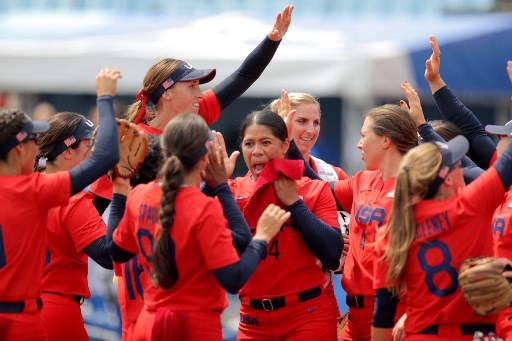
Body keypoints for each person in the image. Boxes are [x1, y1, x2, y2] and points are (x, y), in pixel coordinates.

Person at [89, 4, 294, 212]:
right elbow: (98, 206)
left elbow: (243, 76)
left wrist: (272, 40)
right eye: (192, 86)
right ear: (167, 93)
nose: (199, 93)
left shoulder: (193, 117)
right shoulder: (131, 140)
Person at [107, 113, 289, 340]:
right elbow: (234, 277)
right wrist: (262, 237)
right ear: (205, 157)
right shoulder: (203, 208)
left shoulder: (139, 195)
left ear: (165, 152)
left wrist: (119, 188)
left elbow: (115, 251)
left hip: (148, 320)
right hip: (192, 325)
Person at [0, 68, 121, 340]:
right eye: (32, 139)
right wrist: (122, 193)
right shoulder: (43, 190)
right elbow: (108, 254)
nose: (37, 145)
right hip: (53, 309)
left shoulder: (34, 185)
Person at [372, 130, 512, 340]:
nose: (463, 169)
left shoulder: (394, 229)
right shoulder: (468, 205)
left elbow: (383, 314)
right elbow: (508, 162)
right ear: (446, 179)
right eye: (458, 165)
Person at [226, 109, 342, 340]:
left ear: (285, 145)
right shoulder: (230, 191)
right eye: (249, 144)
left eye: (265, 142)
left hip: (306, 315)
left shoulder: (313, 188)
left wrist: (295, 204)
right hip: (252, 319)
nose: (257, 151)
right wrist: (215, 184)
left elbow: (332, 254)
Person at [330, 103, 418, 341]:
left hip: (395, 314)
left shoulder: (418, 189)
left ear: (386, 141)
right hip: (355, 318)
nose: (359, 144)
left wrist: (413, 313)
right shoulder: (362, 180)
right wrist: (288, 144)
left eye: (363, 135)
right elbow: (312, 190)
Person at [268, 89, 350, 327]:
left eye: (316, 122)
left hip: (319, 296)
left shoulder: (334, 174)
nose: (311, 130)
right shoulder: (261, 173)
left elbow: (342, 249)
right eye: (301, 121)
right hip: (268, 299)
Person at [33, 112, 114, 341]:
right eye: (89, 146)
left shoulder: (24, 186)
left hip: (21, 308)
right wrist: (122, 191)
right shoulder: (72, 198)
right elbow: (107, 255)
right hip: (58, 311)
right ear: (67, 151)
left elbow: (75, 225)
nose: (94, 154)